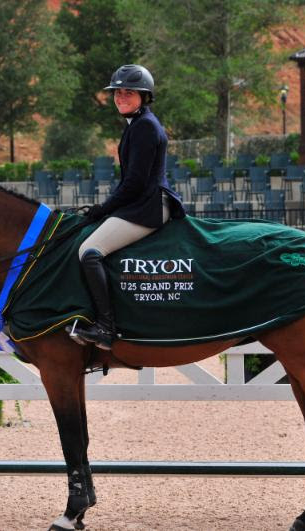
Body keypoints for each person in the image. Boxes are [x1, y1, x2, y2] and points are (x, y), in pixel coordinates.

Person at [75, 64, 186, 350]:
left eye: (129, 92)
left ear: (144, 96)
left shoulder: (145, 127)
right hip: (140, 202)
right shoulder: (137, 125)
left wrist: (105, 208)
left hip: (148, 206)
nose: (121, 97)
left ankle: (106, 328)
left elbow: (135, 182)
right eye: (118, 92)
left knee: (89, 253)